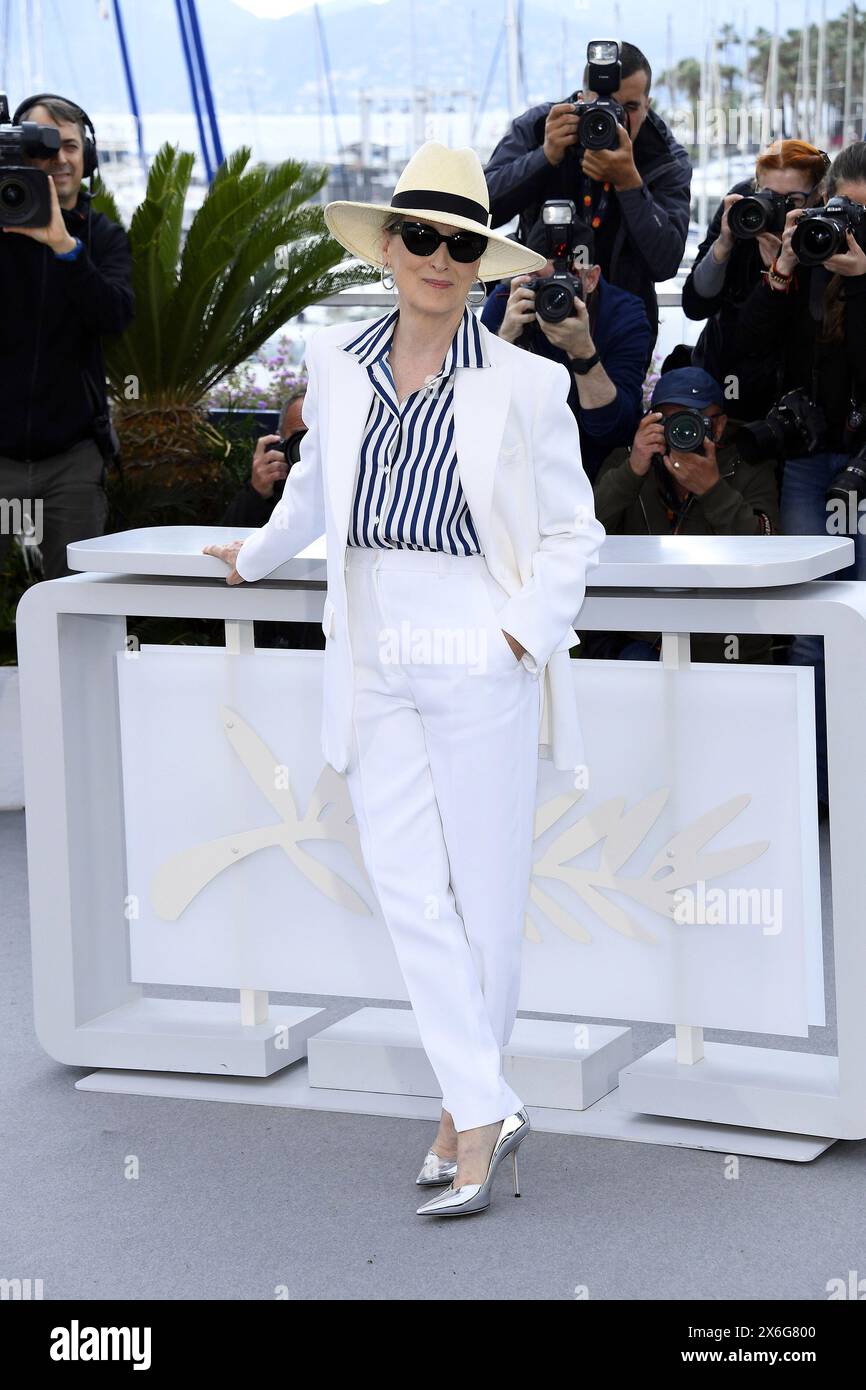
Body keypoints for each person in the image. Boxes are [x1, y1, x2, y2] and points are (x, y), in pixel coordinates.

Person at [202, 141, 605, 1219]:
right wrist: (255, 554)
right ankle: (481, 1102)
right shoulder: (336, 366)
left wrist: (519, 635)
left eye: (459, 243)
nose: (436, 257)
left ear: (479, 262)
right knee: (405, 889)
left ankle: (463, 1113)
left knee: (485, 898)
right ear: (386, 246)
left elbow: (573, 527)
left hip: (476, 634)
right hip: (372, 632)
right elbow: (317, 495)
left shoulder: (522, 382)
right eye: (419, 236)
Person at [734, 141, 866, 806]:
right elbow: (748, 345)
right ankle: (816, 793)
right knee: (813, 628)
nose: (849, 230)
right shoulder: (809, 255)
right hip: (812, 463)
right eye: (847, 212)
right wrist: (786, 264)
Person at [483, 41, 691, 358]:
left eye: (630, 108)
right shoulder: (543, 127)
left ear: (648, 105)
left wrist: (629, 183)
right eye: (602, 105)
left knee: (611, 407)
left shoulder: (663, 156)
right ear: (582, 98)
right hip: (534, 313)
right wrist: (545, 156)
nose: (616, 119)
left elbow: (664, 263)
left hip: (618, 326)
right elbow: (483, 210)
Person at [0, 94, 133, 580]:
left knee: (76, 601)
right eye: (42, 145)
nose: (58, 158)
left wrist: (66, 248)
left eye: (70, 145)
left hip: (72, 459)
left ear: (87, 156)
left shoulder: (104, 237)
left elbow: (115, 315)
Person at [588, 368, 779, 663]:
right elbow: (583, 535)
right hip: (645, 639)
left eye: (694, 419)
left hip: (725, 644)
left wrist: (713, 490)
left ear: (718, 426)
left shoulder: (748, 468)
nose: (683, 431)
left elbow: (767, 553)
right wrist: (631, 471)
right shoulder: (629, 460)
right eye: (670, 420)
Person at [480, 215, 649, 482]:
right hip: (519, 460)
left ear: (591, 279)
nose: (553, 294)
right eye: (538, 281)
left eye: (561, 282)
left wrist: (584, 354)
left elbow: (614, 431)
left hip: (594, 464)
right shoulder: (506, 303)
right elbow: (479, 411)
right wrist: (505, 339)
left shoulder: (623, 315)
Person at [683, 140, 830, 421]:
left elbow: (813, 328)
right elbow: (695, 305)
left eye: (794, 202)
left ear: (818, 197)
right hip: (730, 378)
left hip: (794, 392)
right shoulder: (743, 209)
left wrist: (788, 266)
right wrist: (724, 244)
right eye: (769, 196)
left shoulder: (822, 229)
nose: (778, 211)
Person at [220, 387, 323, 650]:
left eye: (314, 438)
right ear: (281, 442)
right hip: (271, 635)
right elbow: (227, 538)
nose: (306, 450)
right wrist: (256, 491)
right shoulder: (270, 486)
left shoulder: (354, 484)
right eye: (298, 440)